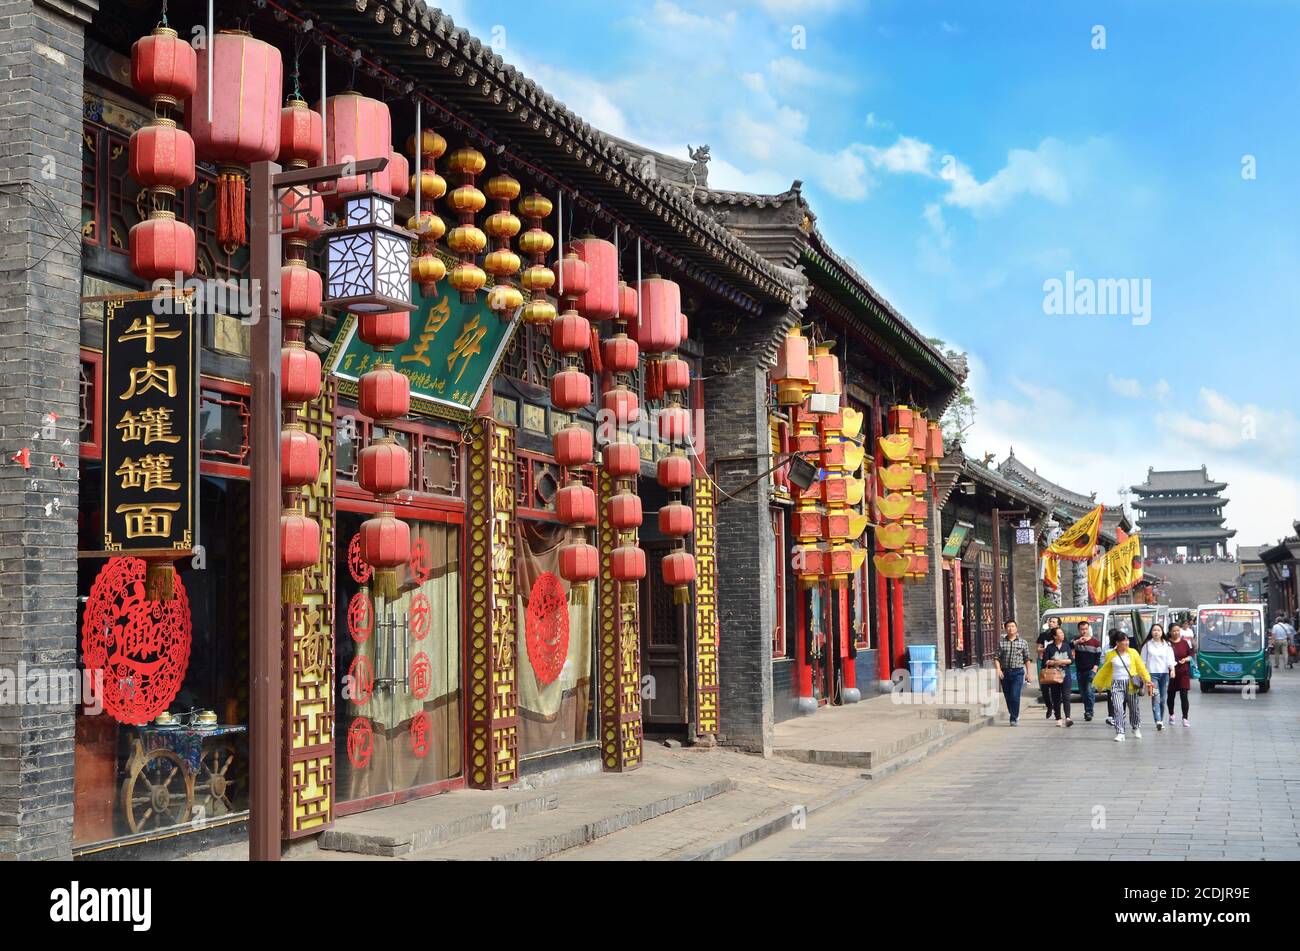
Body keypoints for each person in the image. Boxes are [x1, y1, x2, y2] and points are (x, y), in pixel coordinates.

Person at [1091, 632, 1152, 742]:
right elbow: (1105, 671)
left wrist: (1147, 680)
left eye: (1127, 640)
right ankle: (1120, 732)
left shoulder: (1133, 653)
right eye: (1123, 640)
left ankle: (1135, 727)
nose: (1126, 642)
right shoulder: (1111, 654)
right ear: (1117, 643)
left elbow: (1141, 667)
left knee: (1134, 708)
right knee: (1118, 708)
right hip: (1116, 684)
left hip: (1131, 684)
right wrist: (1100, 685)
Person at [994, 619, 1034, 726]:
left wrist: (1028, 673)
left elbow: (1027, 659)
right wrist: (998, 669)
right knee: (1008, 696)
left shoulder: (1023, 642)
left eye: (1012, 626)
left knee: (1015, 695)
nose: (1010, 628)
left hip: (1018, 672)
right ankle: (1013, 712)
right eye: (1008, 626)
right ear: (1005, 628)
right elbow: (996, 658)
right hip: (1005, 672)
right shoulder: (1001, 642)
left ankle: (1014, 717)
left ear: (1016, 628)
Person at [1141, 623, 1175, 731]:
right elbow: (1143, 661)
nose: (1156, 632)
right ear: (1151, 632)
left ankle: (1161, 719)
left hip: (1164, 674)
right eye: (1154, 630)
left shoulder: (1167, 645)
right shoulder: (1147, 645)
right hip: (1152, 675)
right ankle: (1158, 720)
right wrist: (1144, 675)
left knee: (1163, 699)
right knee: (1156, 697)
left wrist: (1172, 669)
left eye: (1158, 630)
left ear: (1162, 632)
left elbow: (1170, 658)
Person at [1041, 625, 1074, 726]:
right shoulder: (1049, 647)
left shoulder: (1066, 646)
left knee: (1066, 696)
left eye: (1063, 633)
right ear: (1055, 636)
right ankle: (1058, 718)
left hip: (1065, 674)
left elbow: (1071, 660)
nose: (1062, 635)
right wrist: (1055, 662)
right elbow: (1045, 661)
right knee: (1056, 697)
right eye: (1060, 633)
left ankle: (1068, 717)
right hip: (1054, 675)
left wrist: (1059, 661)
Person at [1071, 620, 1103, 721]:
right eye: (1082, 629)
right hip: (1080, 670)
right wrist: (1077, 642)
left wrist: (1095, 668)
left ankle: (1089, 711)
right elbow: (1067, 647)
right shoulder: (1076, 640)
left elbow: (1098, 657)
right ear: (1079, 630)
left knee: (1089, 691)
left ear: (1089, 629)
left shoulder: (1095, 642)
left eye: (1086, 629)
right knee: (1083, 693)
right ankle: (1087, 710)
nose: (1084, 631)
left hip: (1091, 670)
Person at [1167, 623, 1195, 727]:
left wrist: (1186, 659)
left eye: (1178, 630)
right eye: (1174, 631)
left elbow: (1191, 654)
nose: (1176, 632)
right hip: (1171, 673)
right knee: (1171, 696)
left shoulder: (1184, 643)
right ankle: (1171, 714)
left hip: (1184, 672)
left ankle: (1185, 718)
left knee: (1184, 695)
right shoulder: (1167, 643)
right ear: (1170, 632)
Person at [1037, 616, 1062, 717]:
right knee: (1044, 689)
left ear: (1058, 625)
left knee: (1057, 690)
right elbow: (1038, 649)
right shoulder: (1044, 635)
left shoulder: (1061, 635)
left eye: (1053, 622)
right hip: (1046, 665)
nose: (1051, 623)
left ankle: (1057, 710)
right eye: (1050, 621)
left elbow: (1065, 648)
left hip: (1058, 665)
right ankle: (1049, 706)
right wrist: (1046, 649)